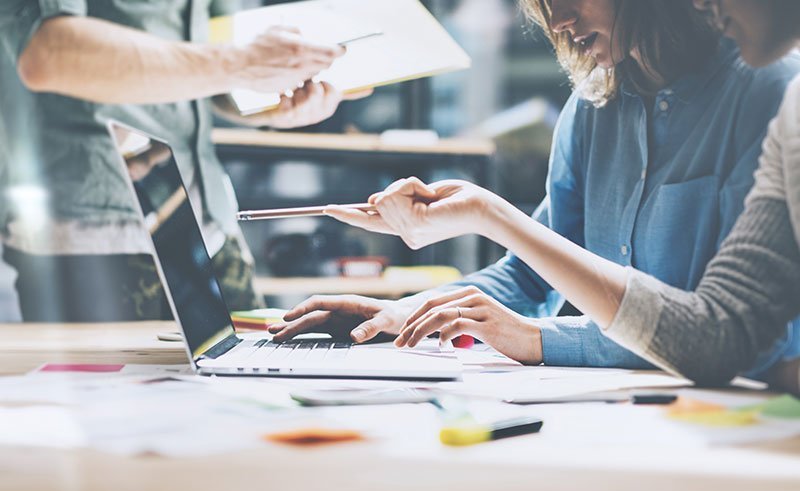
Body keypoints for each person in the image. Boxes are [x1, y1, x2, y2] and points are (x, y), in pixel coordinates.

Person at [269, 0, 800, 381]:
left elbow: (746, 339)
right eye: (545, 6)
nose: (561, 22)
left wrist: (540, 339)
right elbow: (529, 271)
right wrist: (406, 315)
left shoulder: (771, 91)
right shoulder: (594, 106)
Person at [0, 0, 369, 322]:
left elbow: (214, 70)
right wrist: (243, 63)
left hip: (209, 221)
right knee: (118, 403)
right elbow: (49, 53)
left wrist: (274, 106)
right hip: (98, 233)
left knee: (250, 388)